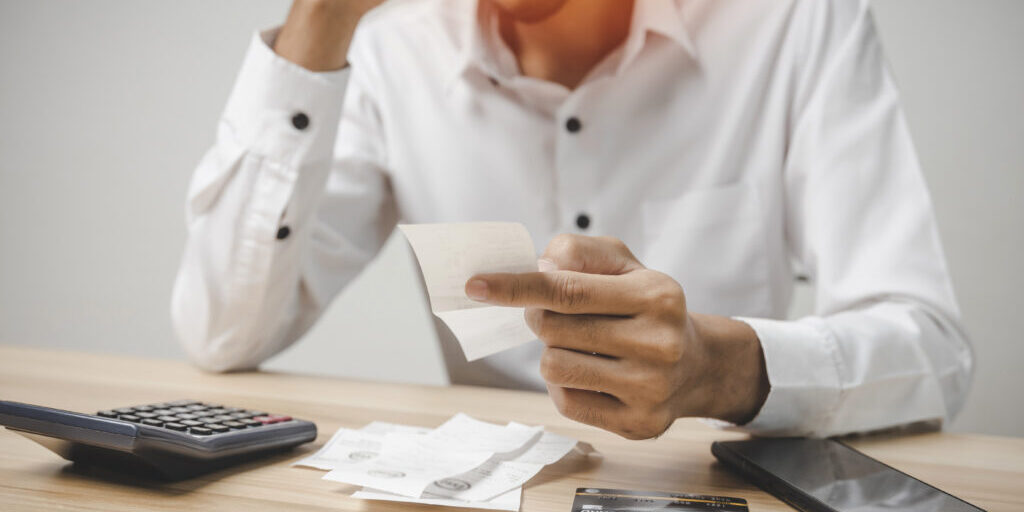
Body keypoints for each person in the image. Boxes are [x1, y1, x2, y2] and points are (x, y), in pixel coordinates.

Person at [172, 0, 973, 439]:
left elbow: (934, 353)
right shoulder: (392, 48)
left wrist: (720, 366)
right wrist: (320, 20)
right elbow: (223, 334)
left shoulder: (796, 21)